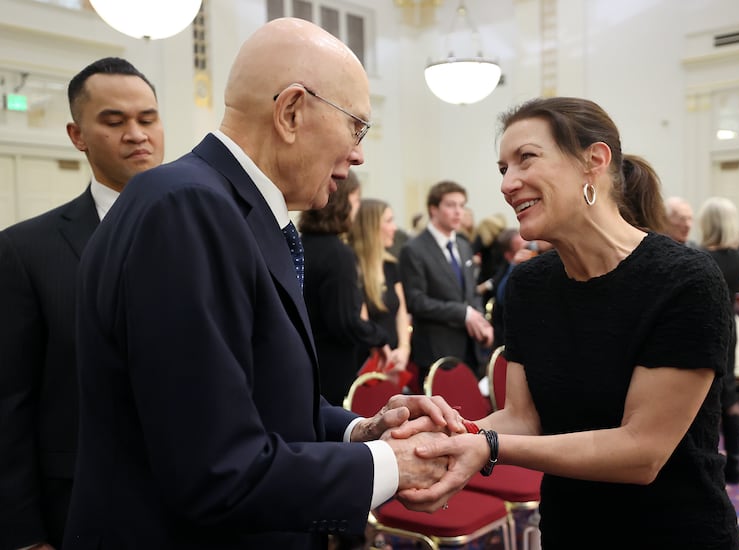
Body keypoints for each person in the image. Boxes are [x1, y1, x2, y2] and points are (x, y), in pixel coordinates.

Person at [63, 19, 463, 550]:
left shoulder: (228, 209)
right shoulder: (190, 209)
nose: (360, 154)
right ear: (291, 111)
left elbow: (253, 401)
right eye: (357, 127)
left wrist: (359, 430)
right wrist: (392, 464)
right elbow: (216, 470)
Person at [402, 97, 739, 549]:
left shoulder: (685, 280)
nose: (507, 183)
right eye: (502, 167)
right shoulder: (528, 286)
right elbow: (522, 418)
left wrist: (488, 444)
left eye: (526, 159)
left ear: (593, 162)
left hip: (674, 532)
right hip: (568, 529)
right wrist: (439, 437)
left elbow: (642, 452)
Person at [0, 57, 164, 550]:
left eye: (147, 118)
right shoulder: (25, 250)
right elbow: (10, 403)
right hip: (81, 502)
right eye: (114, 122)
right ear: (78, 135)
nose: (136, 134)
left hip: (196, 497)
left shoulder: (211, 232)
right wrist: (24, 534)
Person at [299, 172, 390, 406]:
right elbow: (345, 321)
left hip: (303, 363)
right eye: (357, 199)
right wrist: (379, 338)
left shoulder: (300, 243)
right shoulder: (338, 254)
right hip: (330, 368)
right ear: (343, 202)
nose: (357, 208)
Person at [399, 180, 493, 381]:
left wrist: (481, 323)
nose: (458, 212)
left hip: (471, 348)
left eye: (462, 205)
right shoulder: (414, 249)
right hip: (437, 350)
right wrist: (463, 313)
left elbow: (472, 293)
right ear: (433, 209)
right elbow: (416, 301)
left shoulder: (463, 245)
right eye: (451, 205)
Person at [697, 196, 739, 484]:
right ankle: (736, 465)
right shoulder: (738, 258)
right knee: (730, 394)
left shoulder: (703, 257)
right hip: (731, 326)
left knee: (706, 398)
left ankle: (710, 463)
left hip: (707, 328)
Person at [349, 198, 412, 377]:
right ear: (371, 226)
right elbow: (362, 319)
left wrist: (404, 349)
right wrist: (383, 352)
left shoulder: (391, 265)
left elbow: (401, 311)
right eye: (389, 221)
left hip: (394, 360)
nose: (394, 228)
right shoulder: (352, 266)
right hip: (367, 362)